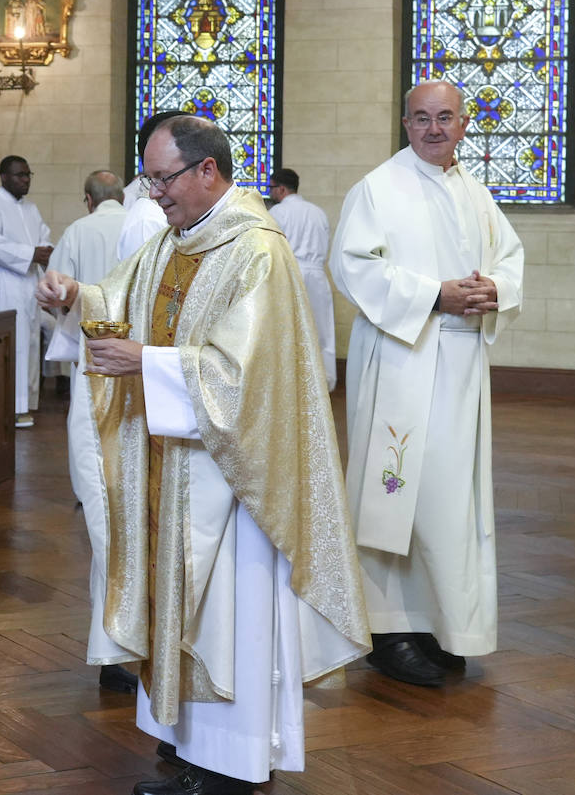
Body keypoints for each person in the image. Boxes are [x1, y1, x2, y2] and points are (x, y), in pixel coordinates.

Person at [37, 115, 369, 795]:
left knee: (228, 616)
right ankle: (189, 745)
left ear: (207, 171)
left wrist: (150, 363)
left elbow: (249, 380)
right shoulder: (173, 241)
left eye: (162, 179)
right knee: (184, 608)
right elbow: (118, 301)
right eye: (149, 178)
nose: (152, 193)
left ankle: (233, 763)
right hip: (177, 465)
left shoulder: (257, 252)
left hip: (234, 484)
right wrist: (76, 296)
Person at [330, 79, 524, 688]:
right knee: (394, 495)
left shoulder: (473, 190)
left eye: (445, 118)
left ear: (464, 124)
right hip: (402, 359)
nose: (434, 129)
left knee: (451, 501)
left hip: (462, 366)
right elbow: (352, 264)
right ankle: (389, 631)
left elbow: (509, 258)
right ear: (405, 124)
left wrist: (497, 290)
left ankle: (442, 624)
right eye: (421, 119)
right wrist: (434, 293)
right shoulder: (378, 188)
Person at [43, 170, 136, 691]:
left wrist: (68, 302)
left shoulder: (79, 230)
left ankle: (120, 643)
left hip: (99, 362)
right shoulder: (149, 220)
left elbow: (61, 296)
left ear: (88, 199)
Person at [0, 155, 51, 427]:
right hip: (6, 281)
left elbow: (44, 235)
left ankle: (27, 401)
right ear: (4, 177)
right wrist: (30, 253)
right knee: (13, 344)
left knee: (31, 341)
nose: (26, 179)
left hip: (29, 281)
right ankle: (9, 405)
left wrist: (44, 250)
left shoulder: (31, 208)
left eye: (28, 174)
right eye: (20, 175)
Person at [268, 168, 336, 390]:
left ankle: (287, 384)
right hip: (316, 274)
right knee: (321, 330)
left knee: (287, 329)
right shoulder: (318, 212)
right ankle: (323, 383)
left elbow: (271, 246)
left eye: (272, 188)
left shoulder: (278, 212)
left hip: (289, 272)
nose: (271, 193)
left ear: (281, 189)